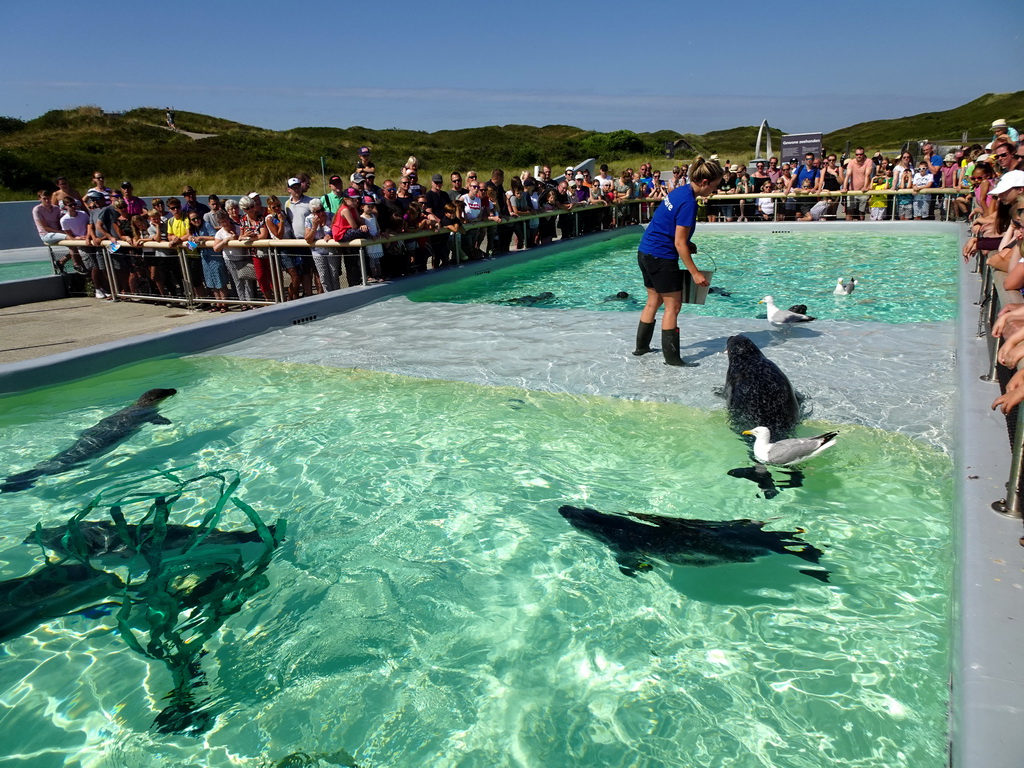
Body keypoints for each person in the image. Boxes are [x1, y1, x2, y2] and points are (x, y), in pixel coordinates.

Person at [633, 156, 724, 366]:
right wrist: (695, 272)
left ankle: (642, 348)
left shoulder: (680, 191)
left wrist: (687, 244)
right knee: (673, 307)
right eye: (715, 186)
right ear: (704, 182)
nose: (715, 190)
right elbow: (679, 244)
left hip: (645, 251)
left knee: (653, 301)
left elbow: (668, 226)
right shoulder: (689, 203)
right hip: (661, 257)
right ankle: (673, 359)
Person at [304, 197, 340, 292]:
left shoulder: (331, 215)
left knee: (334, 275)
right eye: (317, 211)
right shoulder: (308, 220)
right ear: (313, 213)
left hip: (331, 249)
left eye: (322, 210)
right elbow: (308, 239)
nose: (321, 213)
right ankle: (328, 297)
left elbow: (338, 230)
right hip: (317, 251)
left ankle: (338, 296)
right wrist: (314, 227)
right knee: (323, 277)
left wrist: (330, 234)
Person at [842, 147, 872, 220]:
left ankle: (861, 229)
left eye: (861, 154)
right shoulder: (851, 162)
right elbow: (847, 175)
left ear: (863, 154)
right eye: (857, 154)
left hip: (863, 190)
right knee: (849, 211)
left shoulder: (868, 161)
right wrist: (844, 188)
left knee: (861, 212)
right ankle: (848, 229)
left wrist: (865, 187)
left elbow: (867, 175)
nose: (859, 156)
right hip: (852, 190)